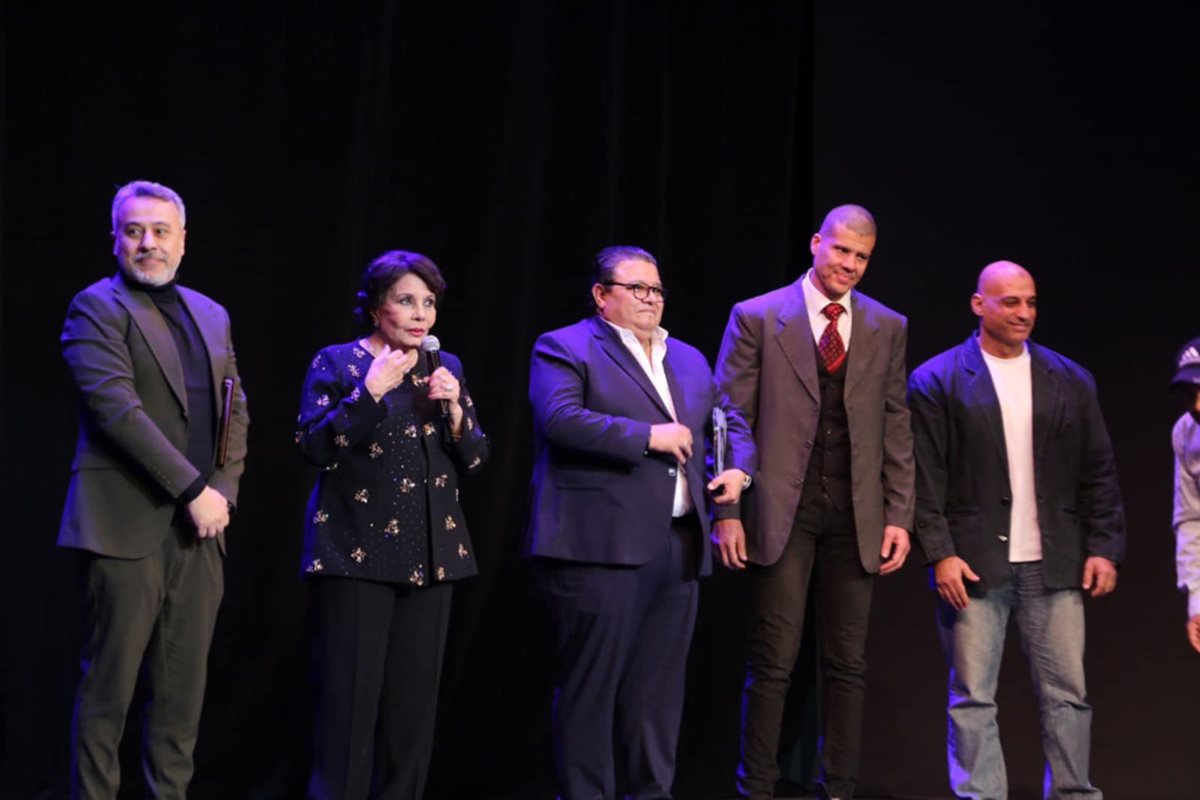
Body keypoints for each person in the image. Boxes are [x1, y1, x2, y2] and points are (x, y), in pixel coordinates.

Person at [525, 245, 754, 800]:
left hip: (676, 547)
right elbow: (560, 418)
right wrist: (648, 437)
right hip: (598, 545)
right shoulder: (565, 345)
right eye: (637, 289)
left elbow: (729, 420)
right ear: (601, 295)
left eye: (656, 290)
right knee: (591, 688)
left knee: (657, 693)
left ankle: (651, 794)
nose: (651, 299)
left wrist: (737, 471)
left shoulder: (688, 358)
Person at [713, 204, 914, 800]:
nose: (849, 264)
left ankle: (838, 789)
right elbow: (728, 416)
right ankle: (757, 787)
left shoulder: (887, 325)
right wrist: (728, 512)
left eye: (862, 257)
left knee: (847, 663)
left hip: (855, 513)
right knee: (773, 659)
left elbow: (895, 422)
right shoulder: (757, 315)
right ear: (816, 243)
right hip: (783, 510)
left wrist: (900, 514)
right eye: (841, 250)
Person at [58, 180, 250, 797]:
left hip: (201, 532)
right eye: (134, 230)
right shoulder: (95, 307)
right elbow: (117, 412)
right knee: (107, 698)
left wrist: (221, 492)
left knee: (180, 705)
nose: (148, 243)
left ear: (183, 240)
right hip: (124, 526)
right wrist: (194, 488)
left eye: (161, 231)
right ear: (115, 238)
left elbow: (235, 413)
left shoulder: (211, 314)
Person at [908, 261, 1125, 799]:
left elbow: (1098, 470)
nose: (1024, 313)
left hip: (1053, 562)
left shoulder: (1070, 379)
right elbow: (923, 478)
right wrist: (940, 553)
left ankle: (1074, 794)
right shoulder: (938, 379)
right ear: (979, 304)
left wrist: (1104, 547)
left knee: (1067, 696)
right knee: (973, 697)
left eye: (1030, 302)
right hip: (974, 563)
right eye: (1010, 302)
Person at [295, 250, 488, 799]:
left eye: (429, 302)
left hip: (432, 557)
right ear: (377, 306)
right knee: (348, 713)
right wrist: (371, 391)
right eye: (407, 300)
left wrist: (456, 414)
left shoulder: (444, 366)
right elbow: (313, 446)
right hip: (356, 553)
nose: (421, 313)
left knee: (412, 718)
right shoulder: (338, 362)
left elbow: (477, 459)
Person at [1169, 335, 1200, 654]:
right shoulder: (1185, 432)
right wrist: (1198, 602)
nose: (1197, 405)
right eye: (1190, 395)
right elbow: (1191, 519)